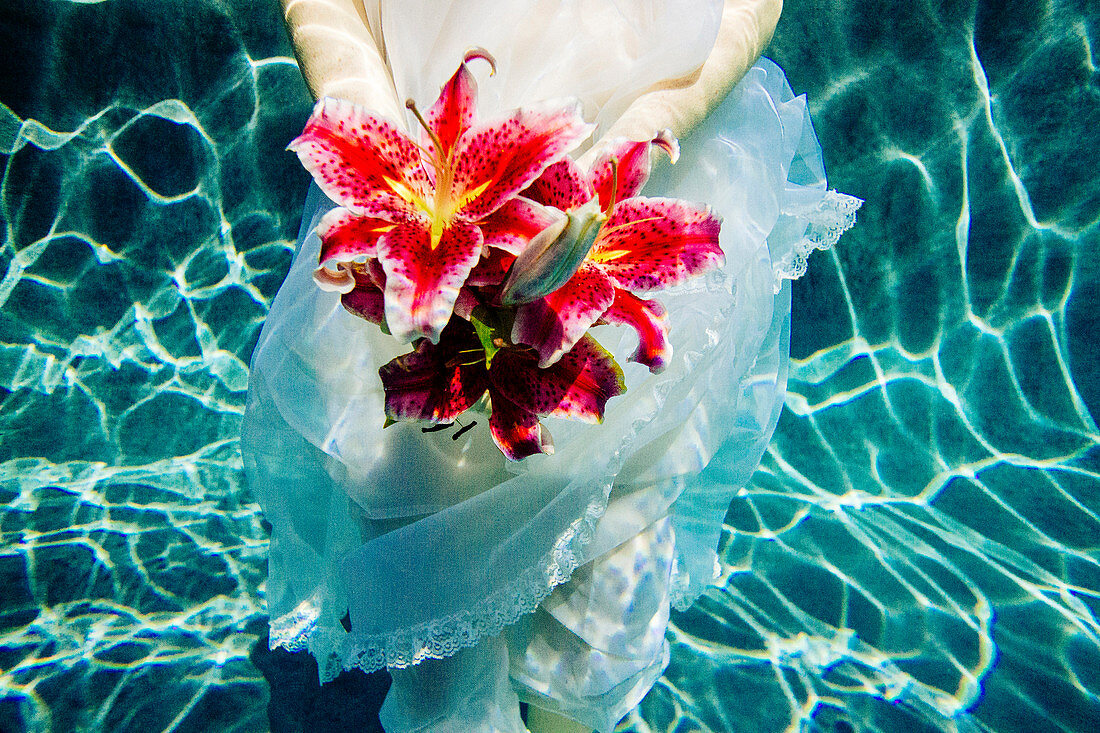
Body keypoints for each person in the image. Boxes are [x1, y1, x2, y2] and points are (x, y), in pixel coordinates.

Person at [242, 1, 859, 731]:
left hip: (662, 169)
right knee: (423, 525)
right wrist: (368, 123)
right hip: (411, 183)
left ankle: (565, 706)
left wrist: (656, 121)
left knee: (621, 514)